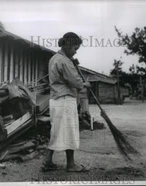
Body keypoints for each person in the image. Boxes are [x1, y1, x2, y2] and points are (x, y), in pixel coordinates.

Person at [42, 32, 91, 172]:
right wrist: (85, 84)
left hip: (56, 100)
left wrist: (73, 63)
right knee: (69, 131)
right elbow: (75, 82)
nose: (75, 52)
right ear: (68, 46)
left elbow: (66, 75)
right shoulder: (65, 61)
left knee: (56, 131)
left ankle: (47, 161)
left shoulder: (54, 58)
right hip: (65, 100)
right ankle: (71, 165)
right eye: (75, 49)